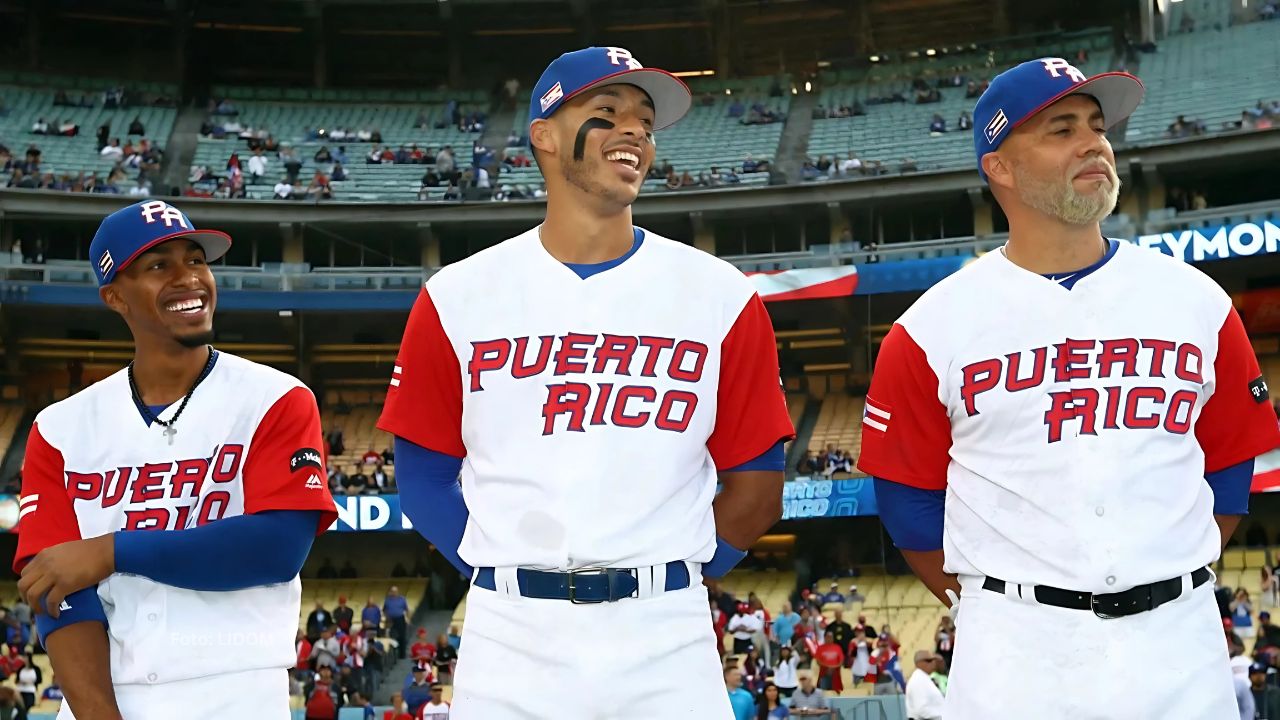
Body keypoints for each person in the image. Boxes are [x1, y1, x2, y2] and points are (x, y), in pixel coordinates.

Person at [376, 45, 793, 720]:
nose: (634, 129)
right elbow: (422, 481)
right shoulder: (456, 295)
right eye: (607, 112)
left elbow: (757, 488)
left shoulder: (719, 294)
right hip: (509, 636)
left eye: (645, 121)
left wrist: (669, 576)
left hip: (667, 635)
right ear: (543, 134)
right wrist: (508, 569)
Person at [859, 56, 1280, 720]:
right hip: (1016, 656)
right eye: (1061, 130)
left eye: (1097, 125)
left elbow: (1230, 462)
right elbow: (907, 502)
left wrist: (1168, 573)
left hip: (1179, 644)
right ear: (999, 166)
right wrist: (1000, 606)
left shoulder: (1194, 300)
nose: (1094, 142)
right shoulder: (931, 325)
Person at [13, 200, 337, 720]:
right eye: (159, 265)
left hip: (235, 690)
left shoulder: (275, 397)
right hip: (105, 695)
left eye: (196, 260)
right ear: (115, 296)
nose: (189, 278)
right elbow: (55, 590)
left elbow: (278, 548)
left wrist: (112, 551)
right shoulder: (58, 427)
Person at [905, 651, 945, 720]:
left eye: (933, 660)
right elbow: (921, 709)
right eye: (929, 660)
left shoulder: (924, 678)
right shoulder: (918, 680)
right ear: (919, 663)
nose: (933, 663)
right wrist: (943, 716)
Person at [384, 586, 409, 657]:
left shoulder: (402, 599)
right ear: (390, 592)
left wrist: (408, 618)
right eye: (392, 591)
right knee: (392, 636)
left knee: (402, 636)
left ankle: (402, 654)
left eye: (395, 591)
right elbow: (384, 610)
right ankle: (393, 654)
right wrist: (387, 617)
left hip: (400, 619)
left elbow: (406, 609)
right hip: (390, 619)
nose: (394, 593)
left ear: (398, 592)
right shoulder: (387, 600)